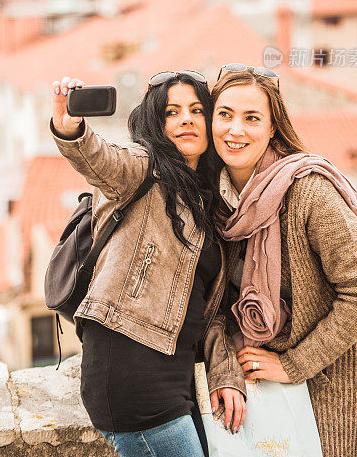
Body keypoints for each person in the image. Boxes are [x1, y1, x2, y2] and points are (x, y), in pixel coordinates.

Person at [50, 71, 246, 457]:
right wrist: (68, 124)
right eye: (172, 112)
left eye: (196, 110)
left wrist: (225, 374)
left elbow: (213, 313)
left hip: (177, 378)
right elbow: (100, 158)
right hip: (129, 371)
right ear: (156, 124)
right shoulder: (142, 169)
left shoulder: (213, 206)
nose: (186, 119)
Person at [210, 64, 357, 457]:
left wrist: (292, 365)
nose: (235, 130)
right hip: (258, 378)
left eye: (252, 118)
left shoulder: (309, 193)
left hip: (328, 384)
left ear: (273, 128)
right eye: (224, 114)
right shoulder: (214, 199)